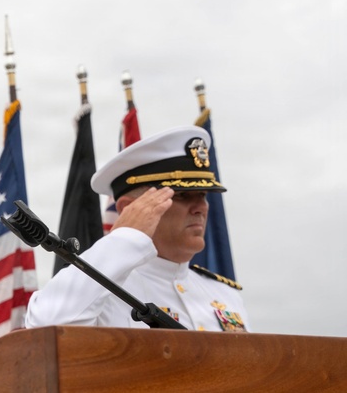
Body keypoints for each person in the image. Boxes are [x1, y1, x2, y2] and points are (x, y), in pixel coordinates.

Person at [25, 125, 249, 332]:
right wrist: (125, 238)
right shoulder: (102, 290)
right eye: (181, 195)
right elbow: (47, 326)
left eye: (202, 195)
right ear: (129, 208)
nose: (200, 207)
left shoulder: (224, 294)